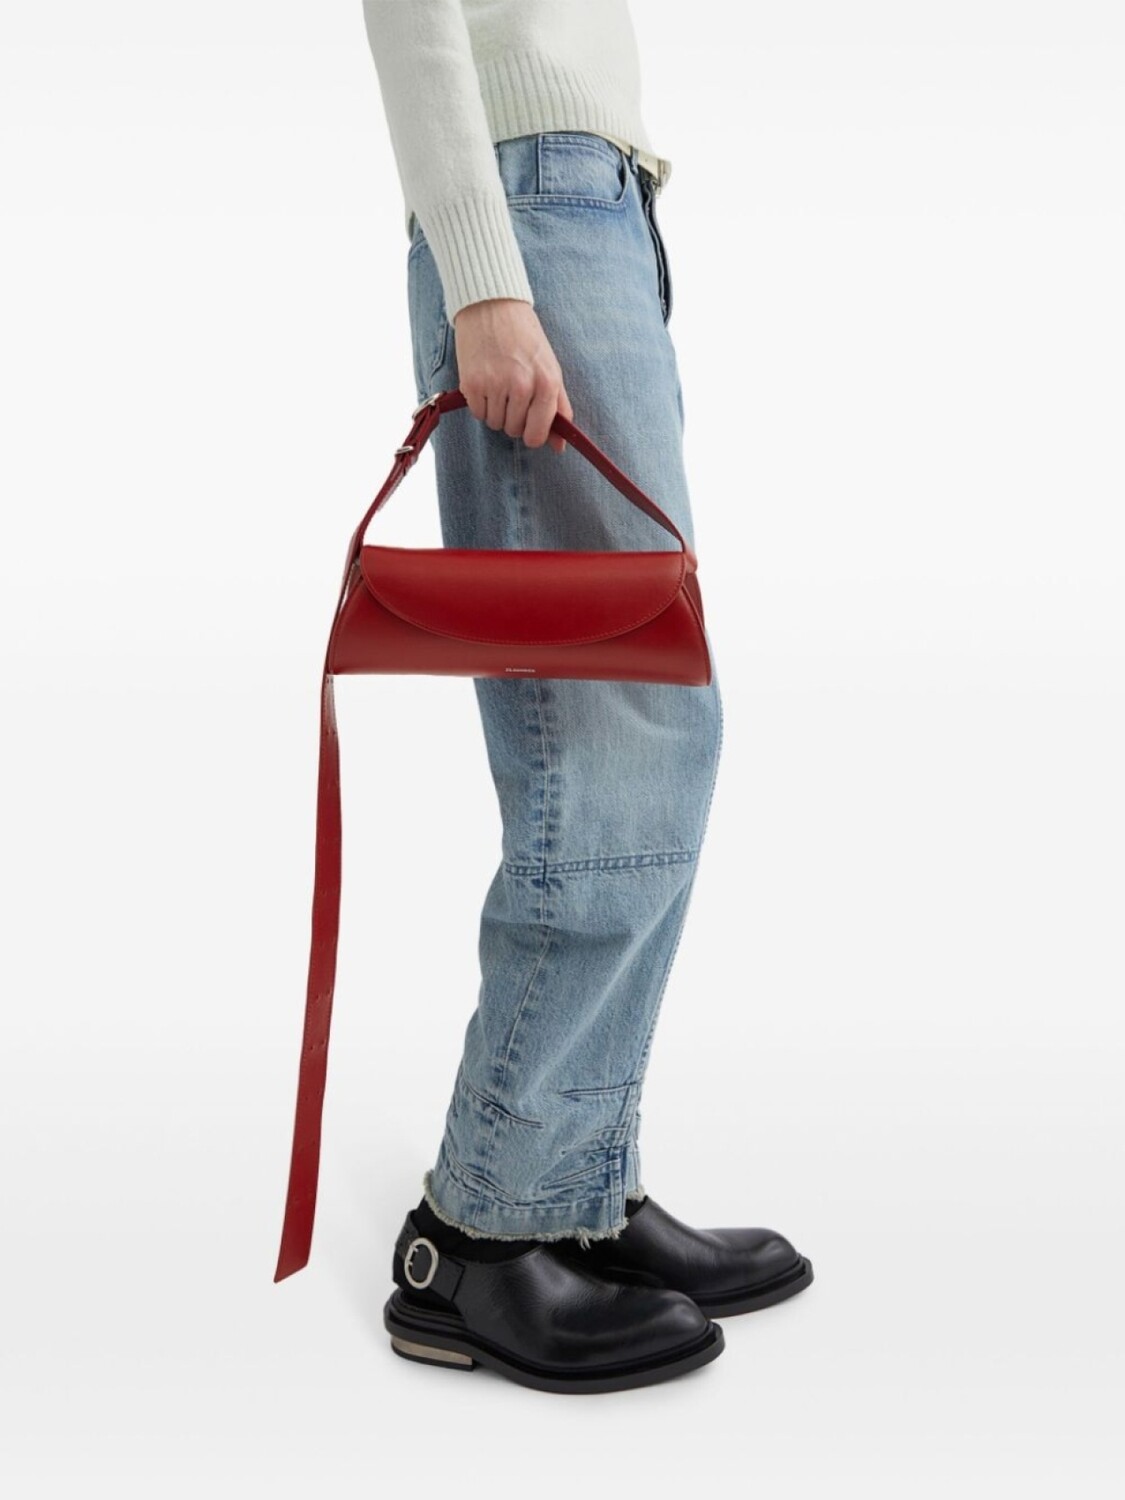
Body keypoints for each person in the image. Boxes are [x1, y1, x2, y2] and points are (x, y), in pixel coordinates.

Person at [361, 0, 812, 1393]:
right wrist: (485, 276)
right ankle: (478, 1234)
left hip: (591, 204)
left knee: (644, 721)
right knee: (614, 737)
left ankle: (575, 1187)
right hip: (531, 207)